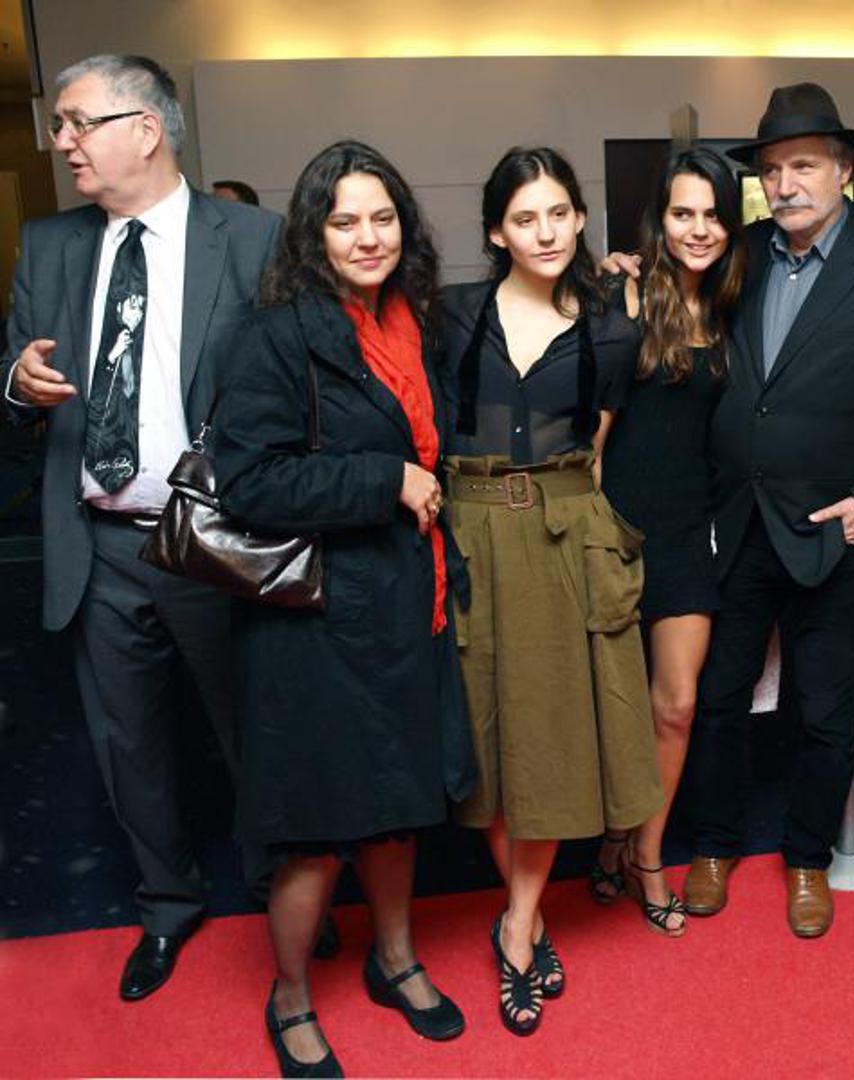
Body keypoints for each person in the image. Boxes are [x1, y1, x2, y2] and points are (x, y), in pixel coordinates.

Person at [1, 54, 280, 1000]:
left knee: (253, 729)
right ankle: (167, 903)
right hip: (99, 543)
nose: (61, 143)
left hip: (215, 540)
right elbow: (11, 377)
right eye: (60, 126)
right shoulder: (49, 245)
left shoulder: (252, 239)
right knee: (129, 745)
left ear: (146, 128)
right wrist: (15, 383)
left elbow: (297, 387)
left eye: (77, 123)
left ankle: (286, 892)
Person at [214, 140, 476, 1076]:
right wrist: (386, 478)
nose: (368, 238)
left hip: (406, 605)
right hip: (314, 623)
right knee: (320, 830)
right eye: (344, 221)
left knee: (399, 808)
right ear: (312, 234)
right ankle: (290, 997)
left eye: (383, 218)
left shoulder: (415, 320)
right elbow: (248, 483)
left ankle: (394, 960)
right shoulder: (276, 333)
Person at [672, 85, 854, 938]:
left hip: (835, 528)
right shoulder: (738, 252)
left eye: (805, 165)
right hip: (739, 521)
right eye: (772, 170)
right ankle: (712, 846)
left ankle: (807, 858)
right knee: (719, 697)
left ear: (845, 169)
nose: (785, 184)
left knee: (826, 711)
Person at [441, 146, 663, 1034]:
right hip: (467, 534)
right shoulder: (452, 315)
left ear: (580, 219)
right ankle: (525, 912)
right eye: (524, 218)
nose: (545, 232)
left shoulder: (610, 328)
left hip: (561, 538)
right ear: (497, 231)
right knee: (486, 742)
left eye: (559, 214)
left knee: (547, 741)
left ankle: (519, 925)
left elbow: (594, 450)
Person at [595, 146, 745, 936]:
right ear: (660, 219)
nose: (698, 229)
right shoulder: (621, 295)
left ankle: (647, 855)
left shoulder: (731, 304)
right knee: (612, 712)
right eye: (683, 213)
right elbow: (589, 436)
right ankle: (613, 836)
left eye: (713, 215)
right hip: (617, 532)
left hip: (690, 535)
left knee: (677, 706)